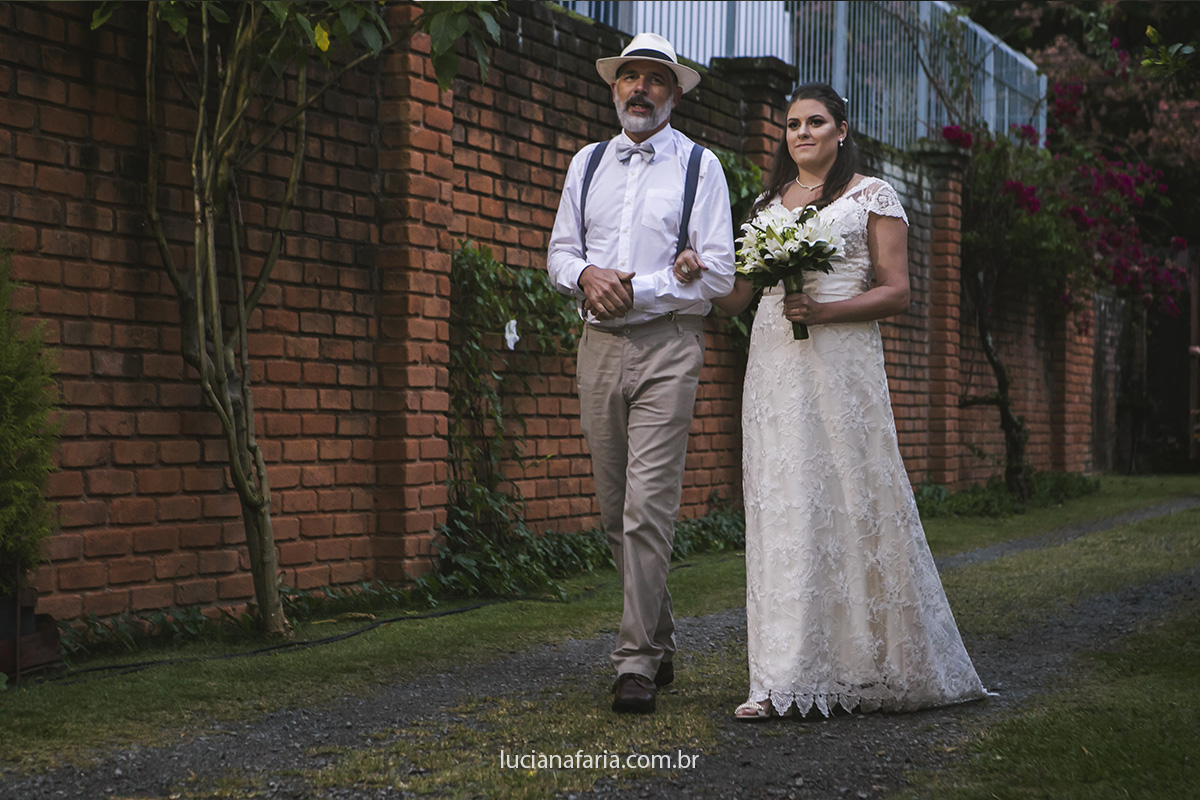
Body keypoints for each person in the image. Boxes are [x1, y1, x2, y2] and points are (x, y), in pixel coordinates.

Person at [675, 83, 989, 720]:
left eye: (815, 122)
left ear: (842, 130)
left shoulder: (873, 195)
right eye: (792, 124)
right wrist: (696, 274)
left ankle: (870, 663)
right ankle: (778, 678)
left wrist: (827, 310)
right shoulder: (768, 203)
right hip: (773, 363)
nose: (802, 133)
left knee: (849, 492)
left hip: (840, 364)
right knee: (783, 504)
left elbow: (897, 291)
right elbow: (738, 297)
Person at [547, 33, 735, 714]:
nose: (640, 89)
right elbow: (560, 255)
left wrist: (641, 288)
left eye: (655, 79)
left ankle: (633, 663)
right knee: (610, 510)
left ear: (675, 93)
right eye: (630, 76)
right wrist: (587, 276)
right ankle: (660, 640)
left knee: (646, 505)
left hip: (668, 348)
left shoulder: (700, 168)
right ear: (613, 86)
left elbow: (717, 271)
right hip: (596, 347)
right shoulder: (588, 162)